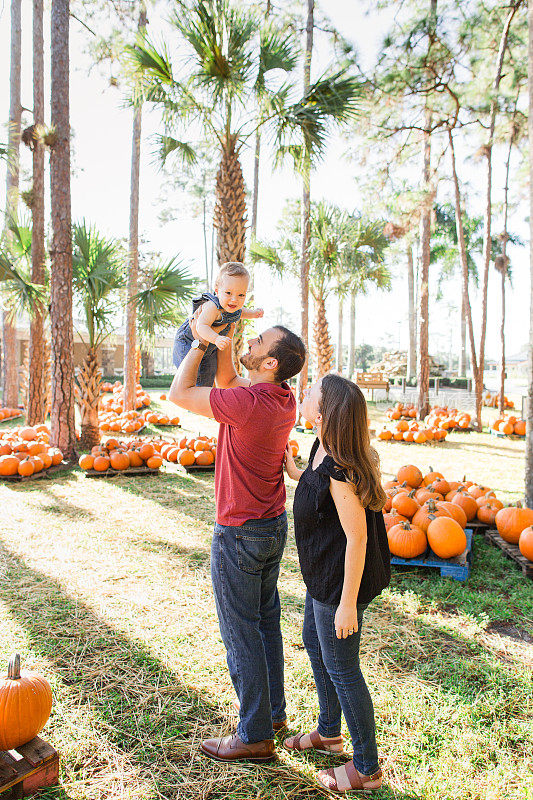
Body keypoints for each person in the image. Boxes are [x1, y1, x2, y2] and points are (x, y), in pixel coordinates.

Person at [168, 318, 306, 762]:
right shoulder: (283, 398)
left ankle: (254, 735)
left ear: (269, 362)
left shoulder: (247, 403)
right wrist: (227, 341)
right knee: (265, 624)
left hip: (239, 532)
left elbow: (178, 394)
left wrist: (198, 342)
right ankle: (273, 715)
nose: (252, 338)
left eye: (259, 341)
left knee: (240, 632)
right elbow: (227, 379)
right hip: (271, 527)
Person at [284, 374, 390, 794]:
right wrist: (291, 468)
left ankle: (367, 767)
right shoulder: (319, 449)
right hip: (322, 575)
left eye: (311, 393)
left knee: (344, 668)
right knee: (315, 642)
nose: (304, 395)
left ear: (325, 412)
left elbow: (359, 538)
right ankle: (329, 732)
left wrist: (347, 604)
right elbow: (312, 487)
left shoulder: (341, 470)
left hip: (341, 583)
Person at [172, 261, 263, 387]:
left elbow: (242, 312)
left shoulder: (234, 308)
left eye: (241, 295)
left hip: (210, 348)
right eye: (228, 293)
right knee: (191, 379)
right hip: (188, 343)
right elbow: (200, 326)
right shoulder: (213, 307)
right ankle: (191, 398)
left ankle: (199, 404)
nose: (234, 299)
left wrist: (254, 314)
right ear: (217, 290)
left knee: (207, 378)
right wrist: (216, 338)